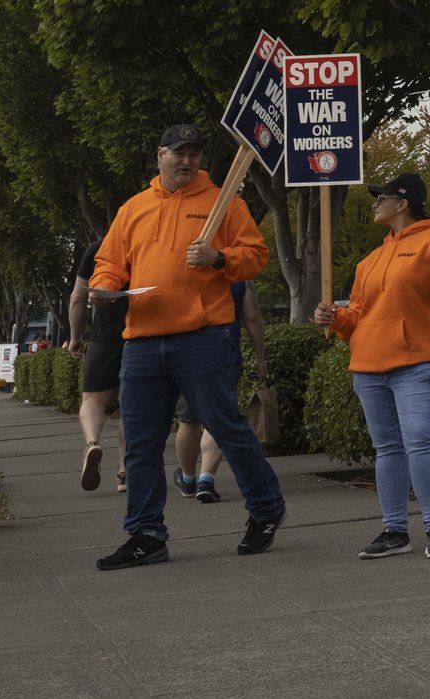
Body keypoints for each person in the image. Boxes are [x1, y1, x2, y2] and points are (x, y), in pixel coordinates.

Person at [90, 123, 286, 570]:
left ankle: (265, 507)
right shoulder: (133, 208)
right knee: (140, 443)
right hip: (142, 341)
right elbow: (110, 262)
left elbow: (255, 255)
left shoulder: (224, 202)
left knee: (227, 427)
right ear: (160, 155)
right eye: (178, 153)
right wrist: (104, 287)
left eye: (194, 154)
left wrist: (219, 258)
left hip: (203, 336)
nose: (187, 161)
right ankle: (145, 535)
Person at [316, 173, 430, 560]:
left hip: (415, 364)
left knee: (419, 442)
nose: (375, 203)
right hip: (368, 367)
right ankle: (394, 531)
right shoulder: (370, 260)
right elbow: (357, 317)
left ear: (403, 203)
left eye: (381, 198)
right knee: (387, 449)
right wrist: (335, 319)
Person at [171, 283, 268, 503]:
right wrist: (260, 357)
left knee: (188, 421)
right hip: (225, 354)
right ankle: (206, 478)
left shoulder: (181, 272)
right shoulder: (236, 278)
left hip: (186, 357)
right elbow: (252, 318)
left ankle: (187, 479)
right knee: (218, 418)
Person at [65, 267, 126, 491]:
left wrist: (75, 337)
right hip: (140, 332)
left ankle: (92, 442)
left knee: (92, 400)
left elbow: (78, 296)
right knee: (131, 403)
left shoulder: (97, 250)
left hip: (104, 335)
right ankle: (124, 472)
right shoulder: (145, 239)